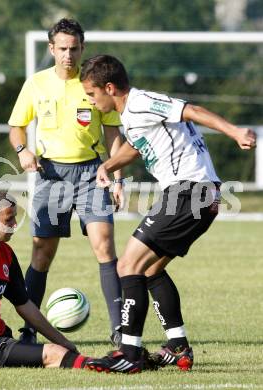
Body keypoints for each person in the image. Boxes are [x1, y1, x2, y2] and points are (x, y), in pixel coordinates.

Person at [79, 54, 257, 371]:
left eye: (92, 94)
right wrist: (107, 165)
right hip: (199, 195)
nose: (90, 101)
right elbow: (136, 147)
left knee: (128, 265)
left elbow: (191, 110)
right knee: (149, 271)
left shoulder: (141, 101)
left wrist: (233, 132)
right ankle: (178, 347)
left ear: (109, 87)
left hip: (190, 191)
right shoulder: (131, 116)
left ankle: (129, 354)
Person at [0, 190, 149, 373]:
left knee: (58, 348)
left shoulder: (5, 253)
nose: (14, 225)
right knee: (53, 355)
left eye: (14, 218)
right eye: (8, 220)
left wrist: (63, 340)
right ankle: (105, 365)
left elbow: (25, 306)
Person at [8, 18, 124, 346]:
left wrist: (118, 179)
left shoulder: (94, 83)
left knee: (104, 246)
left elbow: (113, 132)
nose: (68, 55)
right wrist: (22, 150)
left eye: (74, 49)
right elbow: (17, 126)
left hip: (92, 173)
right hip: (51, 176)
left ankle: (120, 330)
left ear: (82, 48)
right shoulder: (36, 84)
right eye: (62, 49)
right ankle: (29, 332)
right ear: (51, 49)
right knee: (42, 253)